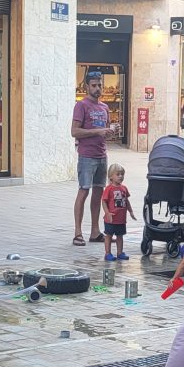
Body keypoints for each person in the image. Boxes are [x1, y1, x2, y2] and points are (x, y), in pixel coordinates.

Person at [70, 71, 115, 246]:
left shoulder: (104, 107)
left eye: (99, 85)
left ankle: (95, 231)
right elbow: (74, 131)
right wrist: (98, 131)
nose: (97, 89)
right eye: (94, 85)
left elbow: (105, 132)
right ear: (86, 86)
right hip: (87, 156)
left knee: (98, 193)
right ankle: (78, 232)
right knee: (84, 191)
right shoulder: (81, 106)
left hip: (102, 155)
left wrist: (111, 132)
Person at [100, 163, 134, 261]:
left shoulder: (124, 188)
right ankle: (107, 253)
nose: (120, 176)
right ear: (111, 176)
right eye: (118, 174)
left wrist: (130, 211)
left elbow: (126, 201)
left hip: (121, 219)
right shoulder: (109, 189)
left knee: (120, 236)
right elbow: (104, 201)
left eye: (122, 174)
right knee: (109, 236)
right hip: (111, 219)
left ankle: (120, 252)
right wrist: (107, 212)